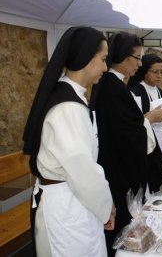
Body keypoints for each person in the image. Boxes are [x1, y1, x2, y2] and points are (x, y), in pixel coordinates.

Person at [22, 27, 114, 256]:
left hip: (72, 200)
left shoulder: (70, 96)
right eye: (103, 60)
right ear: (86, 57)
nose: (105, 67)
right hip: (67, 207)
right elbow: (83, 172)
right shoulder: (68, 107)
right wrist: (107, 207)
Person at [90, 32, 162, 256]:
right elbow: (128, 133)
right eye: (138, 57)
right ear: (125, 57)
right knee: (119, 229)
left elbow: (126, 125)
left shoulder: (110, 85)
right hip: (117, 169)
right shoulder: (113, 88)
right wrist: (151, 118)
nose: (140, 64)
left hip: (114, 163)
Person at [127, 54, 162, 158]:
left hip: (160, 137)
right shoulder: (135, 93)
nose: (159, 76)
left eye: (161, 72)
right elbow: (132, 123)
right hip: (144, 139)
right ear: (145, 71)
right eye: (155, 72)